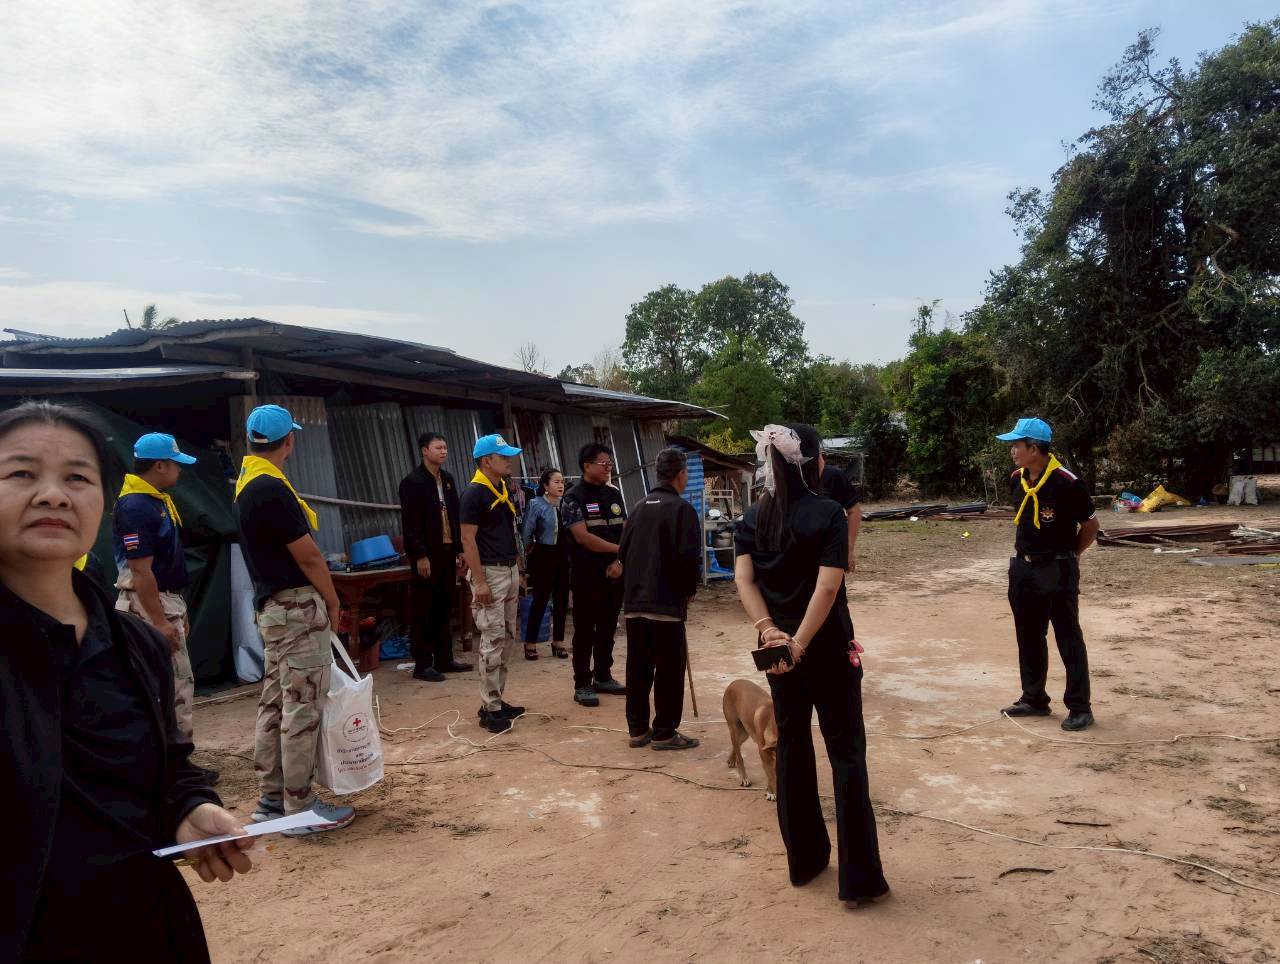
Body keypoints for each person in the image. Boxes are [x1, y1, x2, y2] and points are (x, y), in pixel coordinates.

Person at [1, 401, 252, 963]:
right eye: (21, 473)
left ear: (101, 499)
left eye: (77, 478)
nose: (53, 495)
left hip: (147, 929)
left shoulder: (136, 647)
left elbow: (168, 765)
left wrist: (187, 807)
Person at [734, 422, 889, 907]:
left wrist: (769, 631)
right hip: (826, 651)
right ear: (814, 461)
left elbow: (744, 580)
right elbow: (827, 587)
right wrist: (801, 641)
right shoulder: (828, 514)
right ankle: (859, 882)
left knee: (793, 749)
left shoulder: (752, 517)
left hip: (780, 657)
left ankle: (804, 862)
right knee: (846, 755)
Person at [234, 404, 355, 834]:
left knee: (275, 702)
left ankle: (271, 799)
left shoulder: (248, 484)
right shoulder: (271, 488)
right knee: (302, 706)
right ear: (289, 441)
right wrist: (333, 601)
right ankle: (298, 806)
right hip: (296, 608)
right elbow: (308, 556)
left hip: (274, 610)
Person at [112, 432, 219, 787]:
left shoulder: (155, 500)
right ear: (159, 465)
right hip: (147, 604)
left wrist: (178, 607)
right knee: (174, 686)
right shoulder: (135, 506)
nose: (179, 471)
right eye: (175, 464)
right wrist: (159, 621)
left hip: (164, 599)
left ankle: (171, 765)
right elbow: (140, 571)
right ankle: (176, 772)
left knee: (172, 685)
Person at [996, 417, 1099, 731]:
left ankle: (1080, 707)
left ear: (1034, 448)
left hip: (1057, 568)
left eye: (1017, 444)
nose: (1012, 450)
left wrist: (1071, 555)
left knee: (1068, 637)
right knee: (1028, 635)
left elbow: (1090, 525)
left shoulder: (1067, 483)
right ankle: (1034, 698)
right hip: (1023, 568)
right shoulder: (1017, 479)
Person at [617, 448, 702, 750]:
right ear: (681, 474)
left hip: (635, 603)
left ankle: (638, 730)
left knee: (638, 668)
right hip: (665, 603)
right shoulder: (682, 509)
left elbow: (623, 553)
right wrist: (688, 591)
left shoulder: (638, 507)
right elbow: (689, 557)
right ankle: (664, 732)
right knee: (669, 669)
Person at [459, 433, 527, 734]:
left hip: (508, 569)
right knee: (492, 640)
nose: (509, 461)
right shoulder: (474, 494)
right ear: (486, 461)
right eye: (503, 456)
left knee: (507, 637)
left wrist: (518, 570)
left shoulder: (501, 487)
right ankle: (490, 708)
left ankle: (497, 698)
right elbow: (467, 540)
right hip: (489, 572)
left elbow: (508, 531)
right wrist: (480, 582)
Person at [398, 431, 470, 682]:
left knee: (444, 605)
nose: (443, 452)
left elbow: (455, 516)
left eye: (445, 448)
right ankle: (422, 663)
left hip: (448, 551)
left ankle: (444, 658)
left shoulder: (447, 479)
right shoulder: (412, 482)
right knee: (424, 607)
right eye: (438, 448)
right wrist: (419, 555)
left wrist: (460, 549)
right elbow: (410, 522)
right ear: (424, 451)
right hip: (426, 554)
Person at [562, 442, 628, 707]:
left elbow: (625, 529)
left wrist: (620, 560)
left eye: (610, 463)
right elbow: (583, 537)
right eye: (604, 463)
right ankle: (582, 683)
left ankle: (603, 675)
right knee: (585, 630)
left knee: (608, 627)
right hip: (586, 575)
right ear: (587, 466)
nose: (608, 467)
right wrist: (619, 551)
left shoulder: (614, 495)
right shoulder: (573, 498)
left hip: (615, 573)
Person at [520, 468, 570, 660]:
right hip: (543, 555)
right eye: (556, 482)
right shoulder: (536, 503)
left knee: (561, 599)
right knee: (540, 599)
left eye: (562, 482)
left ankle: (558, 641)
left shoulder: (566, 504)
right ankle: (530, 642)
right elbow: (527, 531)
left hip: (563, 555)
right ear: (545, 486)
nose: (560, 485)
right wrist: (529, 550)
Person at [818, 454, 863, 573]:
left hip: (829, 555)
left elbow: (854, 510)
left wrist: (848, 549)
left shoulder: (832, 476)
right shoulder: (784, 477)